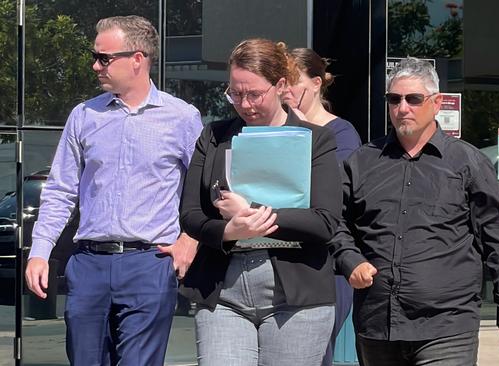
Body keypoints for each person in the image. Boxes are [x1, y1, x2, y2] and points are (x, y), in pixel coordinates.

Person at [24, 15, 203, 365]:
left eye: (104, 58)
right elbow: (60, 190)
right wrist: (40, 250)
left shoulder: (182, 118)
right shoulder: (84, 116)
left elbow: (204, 188)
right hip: (89, 263)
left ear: (138, 58)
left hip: (150, 262)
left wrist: (190, 240)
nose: (95, 66)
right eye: (95, 56)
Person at [329, 57, 499, 366]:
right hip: (378, 324)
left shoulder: (467, 163)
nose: (402, 107)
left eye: (413, 99)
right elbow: (335, 222)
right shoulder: (362, 162)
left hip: (447, 325)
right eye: (394, 99)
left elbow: (497, 239)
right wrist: (350, 260)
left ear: (436, 103)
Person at [178, 38, 342, 366]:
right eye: (235, 94)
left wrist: (251, 213)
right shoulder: (214, 136)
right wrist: (228, 230)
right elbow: (190, 215)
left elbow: (325, 221)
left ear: (280, 85)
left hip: (297, 295)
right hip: (223, 293)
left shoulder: (316, 139)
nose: (245, 104)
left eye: (254, 94)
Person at [282, 47, 361, 366]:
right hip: (282, 259)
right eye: (280, 81)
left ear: (316, 83)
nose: (285, 89)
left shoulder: (341, 133)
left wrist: (301, 131)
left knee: (313, 354)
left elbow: (326, 195)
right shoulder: (272, 129)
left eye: (292, 81)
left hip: (325, 264)